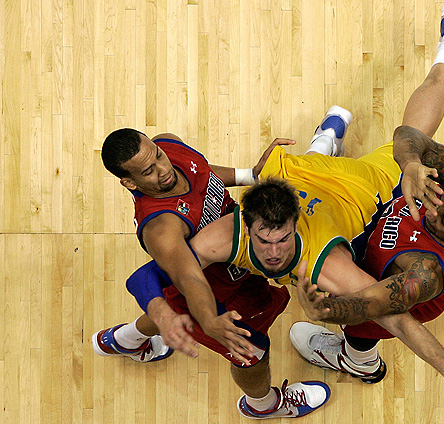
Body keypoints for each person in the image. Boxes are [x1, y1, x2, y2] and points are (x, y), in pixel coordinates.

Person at [117, 5, 444, 419]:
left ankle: (359, 361)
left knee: (365, 326)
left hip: (371, 209)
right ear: (245, 224)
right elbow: (163, 271)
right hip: (345, 189)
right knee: (298, 166)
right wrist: (411, 162)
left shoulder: (412, 267)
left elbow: (391, 314)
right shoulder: (238, 223)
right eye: (263, 240)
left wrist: (327, 313)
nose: (432, 210)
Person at [91, 130, 331, 419]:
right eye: (148, 172)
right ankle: (263, 405)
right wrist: (208, 320)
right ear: (130, 183)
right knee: (252, 354)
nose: (164, 169)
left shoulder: (168, 144)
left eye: (158, 156)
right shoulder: (162, 228)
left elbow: (203, 173)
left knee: (173, 309)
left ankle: (124, 340)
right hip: (214, 298)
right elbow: (189, 279)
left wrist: (250, 175)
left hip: (236, 267)